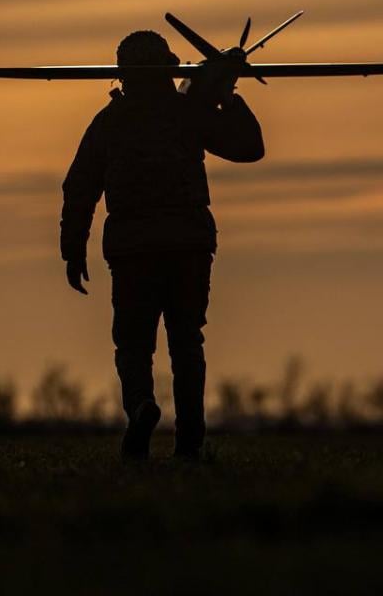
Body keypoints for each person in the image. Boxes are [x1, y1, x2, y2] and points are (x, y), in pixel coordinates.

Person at [60, 30, 264, 460]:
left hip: (133, 249)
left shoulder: (109, 122)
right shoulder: (187, 113)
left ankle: (140, 406)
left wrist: (73, 248)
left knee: (134, 344)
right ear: (168, 67)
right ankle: (190, 441)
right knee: (187, 342)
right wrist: (228, 95)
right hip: (188, 243)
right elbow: (249, 147)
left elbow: (80, 188)